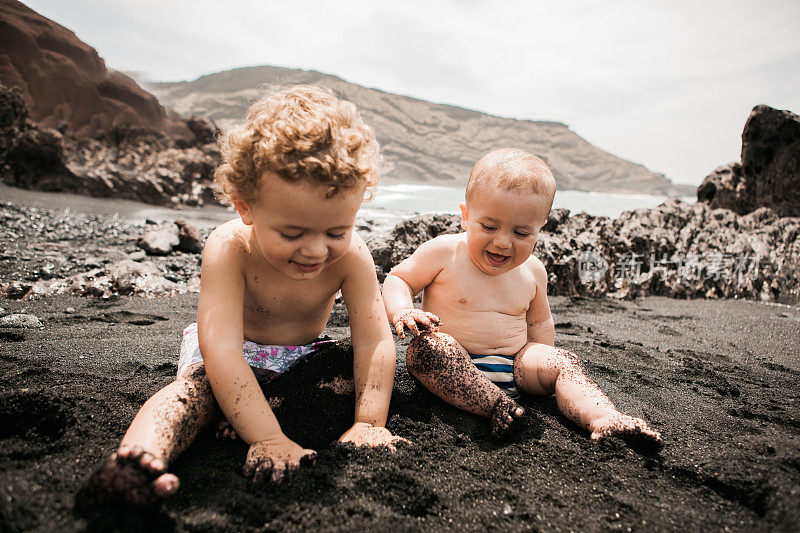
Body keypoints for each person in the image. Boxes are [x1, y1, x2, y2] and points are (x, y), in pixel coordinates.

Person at [77, 85, 402, 509]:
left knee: (344, 376)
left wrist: (369, 423)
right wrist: (269, 440)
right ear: (244, 206)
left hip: (300, 361)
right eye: (291, 233)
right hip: (227, 359)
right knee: (191, 395)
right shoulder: (230, 247)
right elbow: (221, 351)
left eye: (336, 232)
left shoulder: (353, 255)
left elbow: (373, 340)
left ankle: (245, 421)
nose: (316, 251)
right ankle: (136, 465)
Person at [382, 148, 662, 445]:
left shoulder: (533, 271)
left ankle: (603, 417)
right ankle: (494, 406)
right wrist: (402, 311)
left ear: (539, 230)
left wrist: (543, 359)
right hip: (453, 368)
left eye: (521, 233)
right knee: (428, 348)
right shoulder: (443, 252)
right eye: (489, 226)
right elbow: (399, 279)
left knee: (564, 362)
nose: (502, 242)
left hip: (515, 367)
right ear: (465, 216)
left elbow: (540, 322)